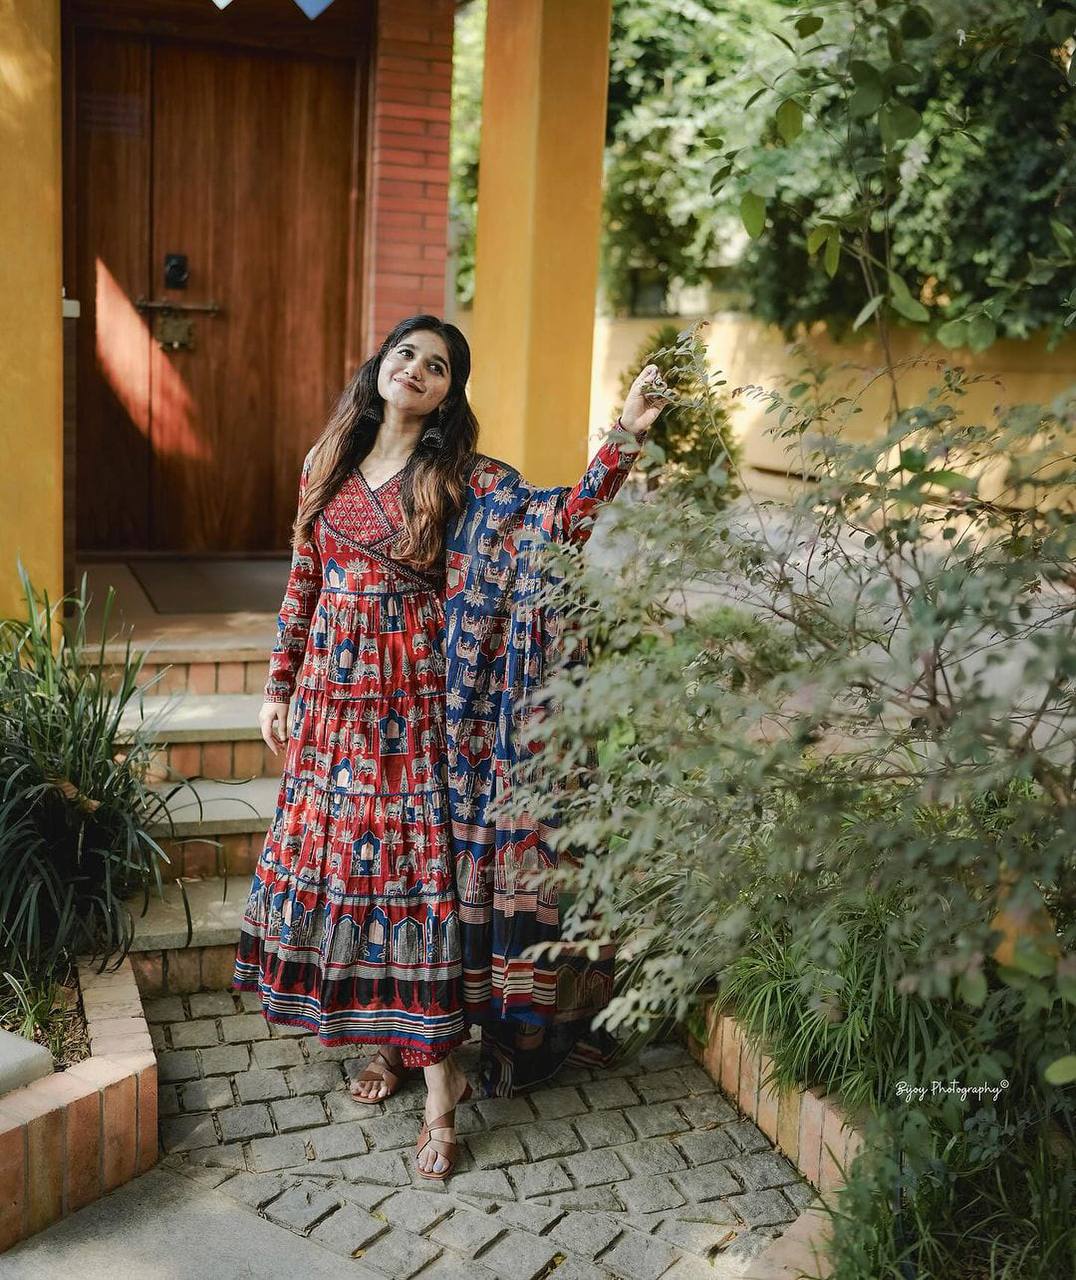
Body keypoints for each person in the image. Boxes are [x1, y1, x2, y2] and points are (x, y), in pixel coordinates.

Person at [233, 314, 670, 1179]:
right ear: (380, 367)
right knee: (347, 880)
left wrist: (623, 438)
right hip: (330, 707)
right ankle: (387, 1044)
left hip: (414, 711)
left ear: (448, 393)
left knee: (411, 885)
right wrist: (278, 684)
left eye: (438, 365)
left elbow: (561, 525)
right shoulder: (326, 465)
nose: (418, 369)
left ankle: (441, 1098)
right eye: (407, 354)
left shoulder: (462, 480)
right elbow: (303, 581)